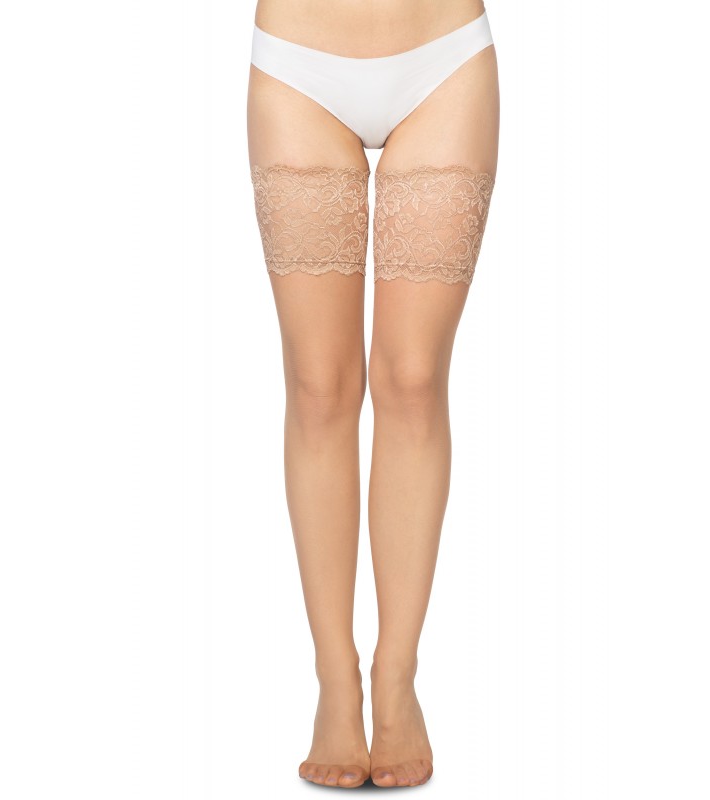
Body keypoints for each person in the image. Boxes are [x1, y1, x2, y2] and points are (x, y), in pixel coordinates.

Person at [246, 0, 499, 788]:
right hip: (298, 63)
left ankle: (397, 677)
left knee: (414, 379)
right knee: (318, 385)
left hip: (444, 58)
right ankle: (334, 681)